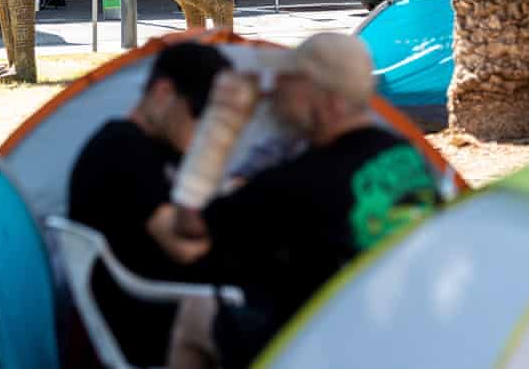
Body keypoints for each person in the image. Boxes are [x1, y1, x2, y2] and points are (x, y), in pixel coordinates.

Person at [164, 33, 442, 369]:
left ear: (322, 96)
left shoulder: (300, 182)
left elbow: (189, 224)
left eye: (287, 78)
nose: (274, 88)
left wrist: (223, 119)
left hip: (315, 347)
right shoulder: (402, 152)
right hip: (401, 339)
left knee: (195, 315)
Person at [68, 42, 231, 367]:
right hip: (152, 319)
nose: (204, 130)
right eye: (200, 113)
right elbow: (181, 245)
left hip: (169, 306)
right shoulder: (123, 149)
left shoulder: (155, 148)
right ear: (163, 92)